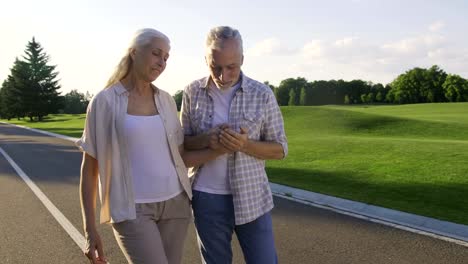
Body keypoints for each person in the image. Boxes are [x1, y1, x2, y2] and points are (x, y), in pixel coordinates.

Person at [76, 28, 221, 264]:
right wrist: (89, 229)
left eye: (166, 57)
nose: (162, 62)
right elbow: (90, 169)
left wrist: (219, 148)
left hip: (176, 205)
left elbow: (181, 156)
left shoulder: (165, 100)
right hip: (132, 211)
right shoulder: (104, 102)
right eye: (156, 54)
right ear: (134, 52)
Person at [180, 26, 288, 264]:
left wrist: (244, 144)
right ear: (205, 59)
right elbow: (183, 148)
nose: (223, 75)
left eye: (232, 67)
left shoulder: (262, 94)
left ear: (242, 59)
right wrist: (208, 139)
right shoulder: (191, 92)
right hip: (206, 198)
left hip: (252, 197)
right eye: (215, 67)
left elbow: (280, 149)